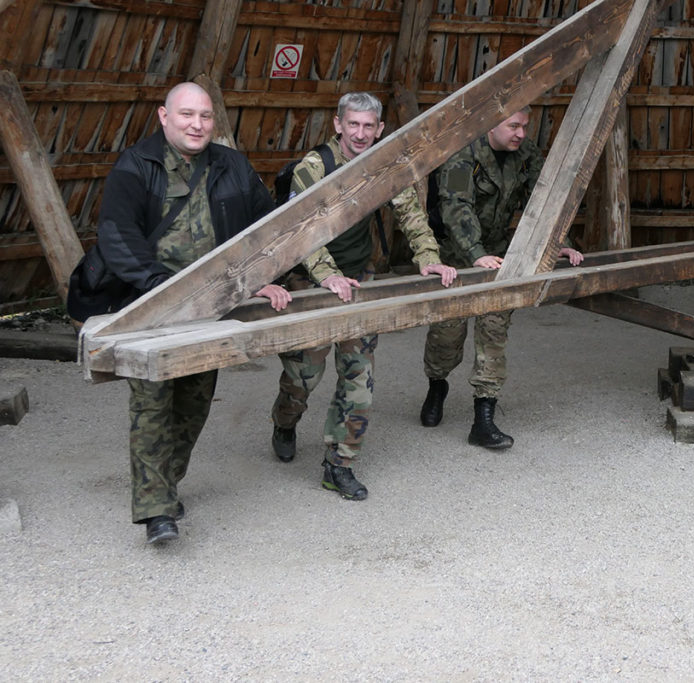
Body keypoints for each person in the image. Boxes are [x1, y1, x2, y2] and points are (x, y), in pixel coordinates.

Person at [95, 82, 292, 544]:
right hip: (150, 307)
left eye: (204, 116)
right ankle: (156, 510)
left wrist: (259, 278)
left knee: (193, 404)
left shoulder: (232, 166)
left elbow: (264, 230)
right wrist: (157, 288)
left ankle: (167, 483)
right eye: (186, 115)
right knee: (152, 405)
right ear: (164, 117)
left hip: (212, 310)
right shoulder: (136, 165)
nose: (197, 124)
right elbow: (116, 235)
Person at [269, 92, 457, 501]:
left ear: (380, 129)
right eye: (352, 124)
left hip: (359, 277)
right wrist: (328, 277)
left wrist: (428, 258)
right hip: (308, 279)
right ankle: (285, 420)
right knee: (304, 376)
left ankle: (339, 466)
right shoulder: (314, 167)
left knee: (358, 378)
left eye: (368, 126)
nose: (360, 133)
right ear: (337, 125)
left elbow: (410, 213)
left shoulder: (383, 164)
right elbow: (300, 231)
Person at [419, 107, 584, 448]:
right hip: (457, 255)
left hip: (498, 256)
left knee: (493, 329)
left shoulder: (525, 153)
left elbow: (543, 202)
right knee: (446, 335)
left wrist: (560, 245)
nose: (521, 133)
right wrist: (474, 252)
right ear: (489, 122)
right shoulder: (462, 154)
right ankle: (437, 384)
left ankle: (484, 417)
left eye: (525, 126)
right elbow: (455, 206)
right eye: (513, 126)